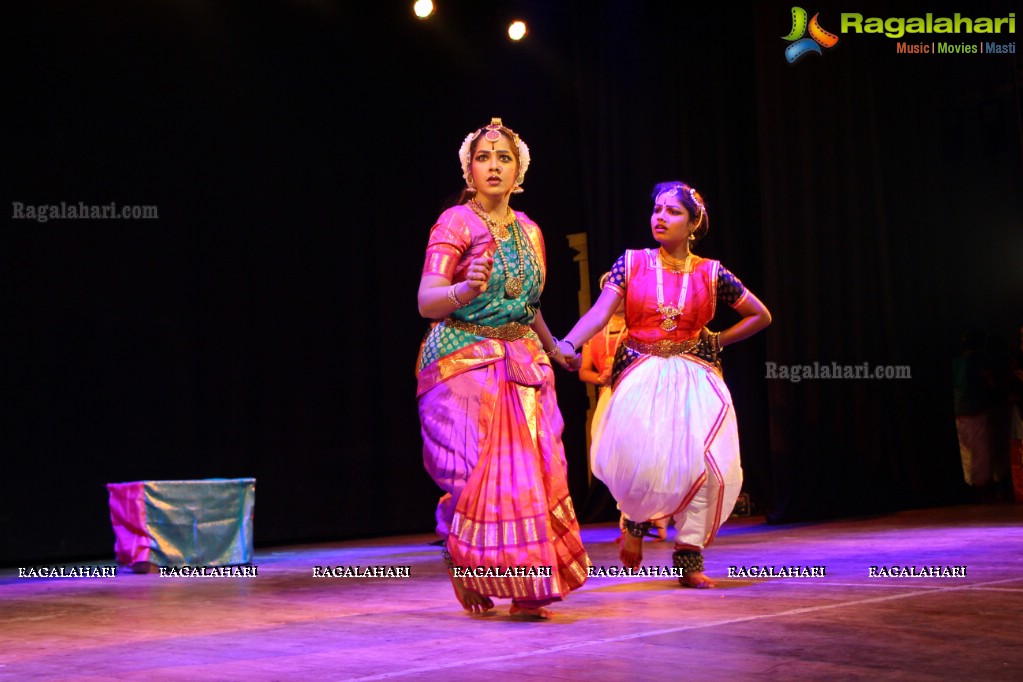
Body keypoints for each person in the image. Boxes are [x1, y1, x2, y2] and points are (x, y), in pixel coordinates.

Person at [553, 180, 771, 588]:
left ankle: (689, 557)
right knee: (643, 462)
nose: (660, 217)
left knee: (710, 467)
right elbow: (600, 315)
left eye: (672, 212)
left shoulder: (712, 273)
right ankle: (635, 521)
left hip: (696, 374)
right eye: (657, 209)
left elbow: (761, 315)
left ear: (693, 224)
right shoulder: (631, 263)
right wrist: (567, 343)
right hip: (641, 371)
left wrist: (717, 340)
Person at [416, 118, 589, 619]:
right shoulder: (454, 222)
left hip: (525, 365)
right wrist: (464, 291)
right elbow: (427, 301)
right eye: (484, 158)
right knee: (475, 479)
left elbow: (526, 302)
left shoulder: (531, 230)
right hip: (463, 360)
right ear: (469, 171)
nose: (494, 165)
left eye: (504, 158)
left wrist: (554, 345)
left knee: (533, 476)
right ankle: (464, 557)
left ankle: (527, 587)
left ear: (519, 171)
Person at [578, 276, 670, 542]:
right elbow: (584, 371)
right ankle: (631, 519)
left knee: (646, 456)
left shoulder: (639, 327)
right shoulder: (595, 329)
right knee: (613, 458)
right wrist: (601, 378)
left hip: (638, 394)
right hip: (609, 396)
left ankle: (655, 521)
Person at [952, 329, 995, 500]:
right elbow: (989, 383)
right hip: (975, 409)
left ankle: (969, 483)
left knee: (965, 449)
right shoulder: (978, 361)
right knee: (980, 448)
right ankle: (981, 485)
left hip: (959, 410)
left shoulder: (956, 362)